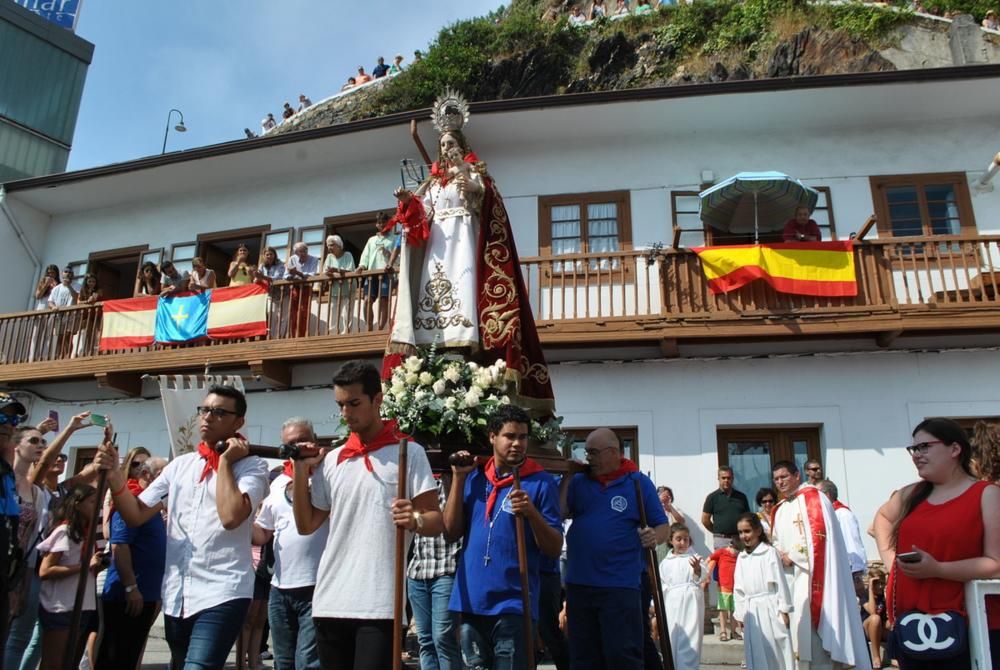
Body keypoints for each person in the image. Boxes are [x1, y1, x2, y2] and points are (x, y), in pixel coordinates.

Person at [387, 92, 555, 412]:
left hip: (463, 245)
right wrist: (408, 201)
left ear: (462, 147)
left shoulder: (475, 171)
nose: (447, 149)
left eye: (452, 144)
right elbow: (419, 220)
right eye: (444, 145)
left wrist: (471, 183)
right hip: (437, 250)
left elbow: (487, 202)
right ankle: (430, 368)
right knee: (431, 305)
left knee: (463, 300)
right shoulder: (432, 185)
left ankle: (466, 363)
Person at [95, 384, 270, 670]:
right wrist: (115, 477)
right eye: (204, 410)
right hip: (178, 593)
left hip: (223, 590)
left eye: (219, 412)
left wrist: (224, 462)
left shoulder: (252, 467)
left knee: (198, 666)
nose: (207, 417)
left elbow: (231, 517)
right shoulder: (180, 466)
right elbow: (136, 514)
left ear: (238, 422)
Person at [291, 361, 443, 669]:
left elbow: (435, 520)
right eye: (341, 405)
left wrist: (413, 519)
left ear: (377, 400)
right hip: (330, 598)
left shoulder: (408, 452)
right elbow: (306, 525)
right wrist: (299, 470)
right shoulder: (333, 459)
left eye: (354, 403)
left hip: (379, 602)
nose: (346, 413)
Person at [873, 418, 1000, 669]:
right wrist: (891, 563)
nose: (917, 455)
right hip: (916, 626)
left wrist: (938, 569)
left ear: (955, 450)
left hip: (973, 624)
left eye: (925, 447)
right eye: (914, 449)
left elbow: (996, 564)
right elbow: (882, 519)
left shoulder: (987, 495)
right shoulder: (912, 494)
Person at [443, 404, 563, 669]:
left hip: (514, 604)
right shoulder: (473, 478)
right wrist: (458, 480)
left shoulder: (540, 482)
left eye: (522, 437)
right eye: (510, 436)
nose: (518, 443)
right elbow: (450, 532)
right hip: (471, 602)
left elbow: (554, 548)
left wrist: (532, 514)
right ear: (492, 437)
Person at [560, 427, 668, 668]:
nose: (588, 457)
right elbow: (560, 511)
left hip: (619, 586)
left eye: (593, 452)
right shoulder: (578, 481)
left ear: (613, 453)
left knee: (621, 654)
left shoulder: (637, 482)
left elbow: (662, 526)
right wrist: (568, 476)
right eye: (586, 451)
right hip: (579, 584)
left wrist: (654, 536)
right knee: (583, 656)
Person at [770, 459, 869, 669]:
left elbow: (821, 540)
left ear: (797, 475)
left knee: (816, 639)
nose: (780, 482)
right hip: (790, 579)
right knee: (798, 636)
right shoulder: (779, 509)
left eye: (784, 477)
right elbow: (776, 540)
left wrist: (793, 556)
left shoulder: (814, 499)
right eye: (776, 479)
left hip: (816, 577)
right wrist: (778, 553)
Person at [252, 418, 327, 670]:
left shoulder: (327, 475)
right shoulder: (278, 483)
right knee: (283, 662)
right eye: (289, 444)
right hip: (280, 587)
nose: (296, 447)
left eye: (302, 440)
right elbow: (263, 532)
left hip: (317, 584)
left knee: (307, 663)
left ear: (314, 440)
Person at [96, 456, 167, 670]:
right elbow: (120, 545)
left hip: (147, 593)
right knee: (115, 656)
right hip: (128, 595)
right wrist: (130, 587)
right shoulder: (132, 502)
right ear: (146, 475)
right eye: (164, 474)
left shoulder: (151, 506)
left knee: (130, 654)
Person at [37, 483, 104, 670]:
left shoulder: (87, 534)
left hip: (81, 605)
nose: (97, 506)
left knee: (69, 661)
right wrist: (83, 567)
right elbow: (46, 571)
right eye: (92, 502)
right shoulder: (64, 532)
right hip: (61, 606)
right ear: (77, 503)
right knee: (54, 662)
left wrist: (96, 566)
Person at [2, 425, 52, 670]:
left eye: (43, 442)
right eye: (34, 440)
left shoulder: (37, 492)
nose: (40, 446)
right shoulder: (4, 480)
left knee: (18, 637)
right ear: (15, 445)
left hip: (24, 570)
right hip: (3, 565)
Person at [406, 476, 463, 670]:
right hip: (418, 570)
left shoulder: (451, 482)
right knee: (425, 641)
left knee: (443, 637)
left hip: (446, 569)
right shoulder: (418, 486)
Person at [733, 513, 794, 670]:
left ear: (758, 531)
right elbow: (738, 588)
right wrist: (740, 614)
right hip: (751, 610)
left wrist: (784, 610)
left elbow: (780, 582)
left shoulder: (769, 552)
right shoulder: (741, 557)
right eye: (740, 532)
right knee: (756, 654)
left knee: (775, 651)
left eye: (747, 531)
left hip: (770, 607)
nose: (744, 536)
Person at [658, 523, 705, 670]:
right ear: (670, 540)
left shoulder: (694, 557)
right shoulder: (665, 563)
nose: (683, 543)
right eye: (679, 539)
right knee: (673, 638)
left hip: (691, 603)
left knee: (690, 638)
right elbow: (662, 585)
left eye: (686, 539)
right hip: (672, 604)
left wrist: (697, 569)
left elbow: (701, 576)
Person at [816, 479, 867, 596]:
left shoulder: (842, 514)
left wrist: (856, 574)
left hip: (848, 573)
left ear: (827, 495)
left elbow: (853, 545)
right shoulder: (829, 514)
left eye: (817, 495)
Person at [356, 214, 397, 331]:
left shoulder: (394, 238)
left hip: (386, 273)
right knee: (367, 300)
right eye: (379, 222)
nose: (382, 224)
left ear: (389, 223)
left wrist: (388, 253)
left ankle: (380, 328)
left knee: (384, 300)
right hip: (371, 274)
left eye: (384, 222)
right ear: (376, 224)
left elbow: (398, 256)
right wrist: (361, 266)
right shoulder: (372, 240)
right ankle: (368, 327)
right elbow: (366, 255)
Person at [701, 465, 750, 550]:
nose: (726, 480)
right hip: (721, 540)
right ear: (718, 479)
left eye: (729, 478)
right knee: (722, 563)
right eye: (723, 478)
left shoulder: (741, 497)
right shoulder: (712, 497)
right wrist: (717, 531)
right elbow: (705, 520)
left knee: (741, 562)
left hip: (739, 539)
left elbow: (747, 518)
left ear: (733, 478)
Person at [707, 540, 741, 642]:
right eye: (736, 550)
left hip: (736, 587)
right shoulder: (721, 552)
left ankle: (734, 632)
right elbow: (709, 559)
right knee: (723, 610)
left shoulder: (739, 556)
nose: (736, 553)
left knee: (734, 611)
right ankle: (723, 632)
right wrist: (705, 574)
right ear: (731, 546)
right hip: (724, 587)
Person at [322, 234, 356, 334]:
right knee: (333, 311)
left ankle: (347, 332)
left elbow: (350, 270)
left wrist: (335, 270)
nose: (329, 247)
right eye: (328, 245)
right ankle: (332, 332)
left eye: (332, 245)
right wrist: (328, 273)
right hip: (334, 289)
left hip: (348, 288)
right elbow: (325, 271)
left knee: (347, 312)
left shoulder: (348, 255)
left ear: (339, 245)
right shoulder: (329, 257)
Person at [285, 242, 320, 338]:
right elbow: (286, 275)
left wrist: (297, 273)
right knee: (293, 313)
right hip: (295, 287)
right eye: (300, 251)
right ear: (296, 253)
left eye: (305, 251)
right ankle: (293, 335)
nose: (303, 253)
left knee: (303, 312)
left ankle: (302, 335)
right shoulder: (292, 259)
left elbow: (311, 275)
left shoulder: (314, 259)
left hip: (306, 288)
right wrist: (292, 275)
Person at [861, 566, 886, 670]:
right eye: (877, 583)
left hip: (881, 628)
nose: (880, 586)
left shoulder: (883, 594)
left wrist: (887, 591)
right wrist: (870, 589)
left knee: (897, 622)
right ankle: (876, 657)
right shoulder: (864, 595)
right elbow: (872, 612)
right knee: (875, 618)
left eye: (882, 583)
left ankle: (898, 656)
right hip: (867, 629)